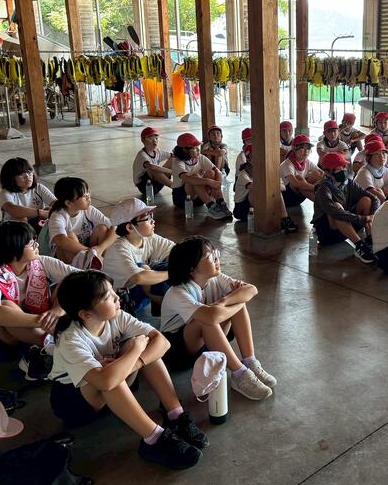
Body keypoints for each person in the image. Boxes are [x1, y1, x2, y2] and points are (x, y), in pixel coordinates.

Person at [49, 270, 207, 469]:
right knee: (113, 374)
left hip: (108, 386)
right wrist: (134, 352)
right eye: (107, 297)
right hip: (74, 403)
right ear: (85, 314)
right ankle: (153, 439)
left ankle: (175, 414)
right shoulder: (71, 339)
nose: (117, 297)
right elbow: (106, 381)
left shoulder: (116, 316)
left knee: (142, 349)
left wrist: (137, 358)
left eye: (112, 291)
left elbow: (162, 342)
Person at [160, 236, 276, 400]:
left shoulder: (215, 278)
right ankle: (239, 374)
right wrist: (235, 300)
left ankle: (250, 361)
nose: (216, 258)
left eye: (215, 253)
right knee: (207, 318)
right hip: (177, 353)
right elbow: (211, 316)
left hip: (208, 343)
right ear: (192, 270)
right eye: (209, 256)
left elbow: (251, 289)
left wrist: (224, 301)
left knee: (234, 303)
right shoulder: (177, 293)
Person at [0, 221, 76, 380]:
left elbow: (83, 278)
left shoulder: (42, 262)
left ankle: (42, 353)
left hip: (47, 327)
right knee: (5, 307)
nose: (36, 245)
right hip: (11, 340)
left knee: (69, 282)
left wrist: (58, 310)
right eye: (31, 243)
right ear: (13, 251)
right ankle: (54, 348)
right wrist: (42, 321)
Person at [103, 198, 175, 315]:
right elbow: (138, 278)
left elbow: (177, 251)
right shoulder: (118, 249)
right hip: (122, 301)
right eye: (147, 218)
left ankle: (175, 308)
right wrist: (173, 272)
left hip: (140, 294)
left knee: (172, 264)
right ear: (130, 227)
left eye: (151, 215)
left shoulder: (148, 238)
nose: (152, 221)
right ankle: (176, 310)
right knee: (145, 268)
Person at [312, 152, 379, 264]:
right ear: (328, 172)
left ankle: (370, 239)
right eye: (339, 169)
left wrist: (372, 215)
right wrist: (362, 219)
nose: (343, 170)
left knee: (366, 200)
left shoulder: (348, 183)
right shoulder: (323, 188)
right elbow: (335, 213)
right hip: (328, 233)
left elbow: (374, 198)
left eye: (344, 166)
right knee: (337, 207)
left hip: (347, 227)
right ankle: (359, 246)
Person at [47, 177, 116, 268]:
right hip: (68, 257)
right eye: (84, 196)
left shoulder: (88, 210)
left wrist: (100, 248)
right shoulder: (58, 215)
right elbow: (60, 240)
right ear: (68, 203)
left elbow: (115, 227)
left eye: (88, 192)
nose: (88, 197)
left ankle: (101, 263)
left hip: (88, 251)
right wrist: (90, 252)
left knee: (102, 229)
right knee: (69, 235)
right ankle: (83, 269)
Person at [233, 145, 299, 232]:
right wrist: (272, 185)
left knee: (276, 191)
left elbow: (283, 187)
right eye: (254, 156)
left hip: (257, 204)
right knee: (254, 192)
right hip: (242, 209)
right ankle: (264, 220)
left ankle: (284, 219)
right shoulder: (243, 174)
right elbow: (256, 187)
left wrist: (273, 187)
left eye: (260, 155)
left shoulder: (266, 170)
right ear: (248, 159)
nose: (258, 158)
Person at [170, 132, 232, 220]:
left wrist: (217, 185)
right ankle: (211, 206)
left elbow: (217, 171)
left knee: (211, 173)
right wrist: (209, 182)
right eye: (195, 148)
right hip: (183, 199)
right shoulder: (178, 162)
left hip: (200, 197)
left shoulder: (200, 157)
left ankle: (220, 202)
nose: (198, 150)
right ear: (185, 150)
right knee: (195, 177)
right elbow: (186, 178)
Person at [0, 157, 56, 228]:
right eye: (21, 174)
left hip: (37, 222)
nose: (27, 176)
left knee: (51, 209)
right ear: (10, 178)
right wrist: (40, 212)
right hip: (13, 228)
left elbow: (56, 204)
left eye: (29, 171)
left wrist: (50, 210)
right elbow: (12, 209)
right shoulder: (6, 193)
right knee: (20, 218)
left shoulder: (39, 188)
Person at [280, 134, 323, 206]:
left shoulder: (307, 161)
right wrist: (316, 188)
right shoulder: (287, 164)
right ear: (294, 148)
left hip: (300, 196)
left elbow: (322, 173)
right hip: (287, 198)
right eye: (302, 148)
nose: (306, 151)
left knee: (316, 174)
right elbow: (295, 183)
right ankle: (324, 204)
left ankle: (324, 203)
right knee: (299, 179)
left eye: (308, 148)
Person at [132, 127, 172, 198]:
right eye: (150, 138)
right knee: (153, 169)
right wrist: (171, 171)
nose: (154, 141)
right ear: (143, 140)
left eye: (156, 138)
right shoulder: (142, 155)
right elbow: (151, 166)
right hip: (146, 187)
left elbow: (173, 156)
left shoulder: (158, 151)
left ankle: (181, 185)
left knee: (173, 159)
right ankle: (175, 188)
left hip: (157, 184)